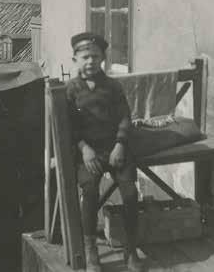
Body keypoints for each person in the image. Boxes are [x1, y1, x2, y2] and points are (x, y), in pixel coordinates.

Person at [66, 32, 143, 272]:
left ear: (103, 59)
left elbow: (124, 117)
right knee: (89, 193)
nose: (90, 61)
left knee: (130, 194)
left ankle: (131, 251)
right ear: (75, 59)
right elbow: (68, 126)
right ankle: (92, 253)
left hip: (116, 150)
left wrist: (120, 144)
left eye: (95, 56)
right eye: (85, 56)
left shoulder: (112, 86)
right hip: (89, 152)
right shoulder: (70, 90)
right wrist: (84, 148)